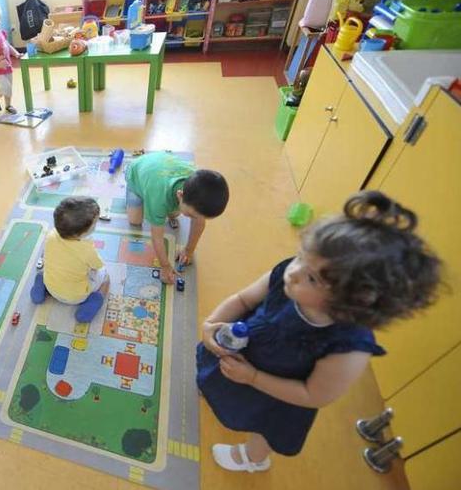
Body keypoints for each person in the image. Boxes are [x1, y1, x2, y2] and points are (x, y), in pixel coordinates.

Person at [197, 191, 441, 473]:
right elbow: (243, 300)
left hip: (279, 394)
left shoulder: (348, 347)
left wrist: (252, 377)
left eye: (312, 277)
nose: (294, 271)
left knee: (265, 427)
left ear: (352, 301)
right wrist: (210, 323)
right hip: (243, 357)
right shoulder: (288, 274)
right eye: (301, 256)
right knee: (221, 382)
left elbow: (313, 395)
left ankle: (253, 458)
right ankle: (221, 392)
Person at [124, 151, 229, 284]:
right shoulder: (158, 198)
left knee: (174, 214)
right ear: (180, 195)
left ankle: (172, 207)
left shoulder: (198, 188)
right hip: (136, 174)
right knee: (135, 221)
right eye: (191, 215)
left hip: (159, 167)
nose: (194, 218)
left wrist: (188, 251)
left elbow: (199, 222)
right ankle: (129, 185)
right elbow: (156, 237)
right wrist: (165, 266)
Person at [30, 197, 111, 323]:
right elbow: (97, 266)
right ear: (81, 233)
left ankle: (42, 286)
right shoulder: (87, 249)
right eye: (94, 224)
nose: (96, 225)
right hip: (77, 297)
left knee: (51, 269)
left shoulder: (50, 235)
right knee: (105, 276)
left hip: (52, 287)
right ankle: (96, 299)